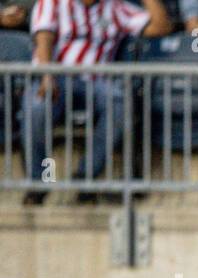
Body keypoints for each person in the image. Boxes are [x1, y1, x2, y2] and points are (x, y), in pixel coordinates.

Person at [22, 0, 172, 206]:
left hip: (95, 81)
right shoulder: (54, 2)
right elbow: (44, 36)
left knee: (121, 104)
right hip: (56, 76)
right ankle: (38, 182)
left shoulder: (116, 8)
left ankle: (85, 177)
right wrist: (47, 74)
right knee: (36, 107)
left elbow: (161, 27)